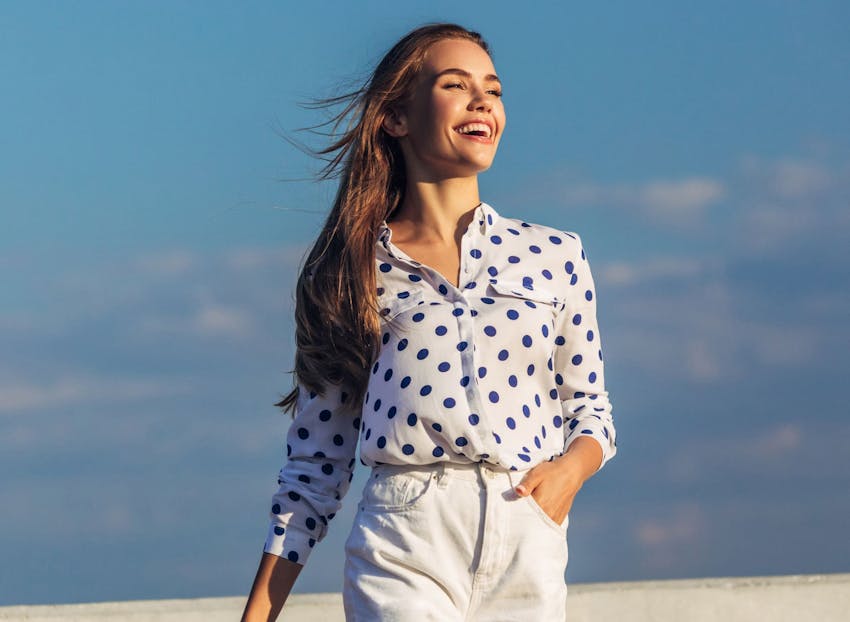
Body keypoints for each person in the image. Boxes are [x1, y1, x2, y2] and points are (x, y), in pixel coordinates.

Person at [241, 22, 618, 622]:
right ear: (395, 117)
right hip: (405, 534)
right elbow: (317, 462)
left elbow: (592, 410)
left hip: (527, 527)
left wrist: (567, 474)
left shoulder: (557, 254)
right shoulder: (347, 273)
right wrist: (260, 612)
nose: (483, 102)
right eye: (455, 84)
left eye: (492, 90)